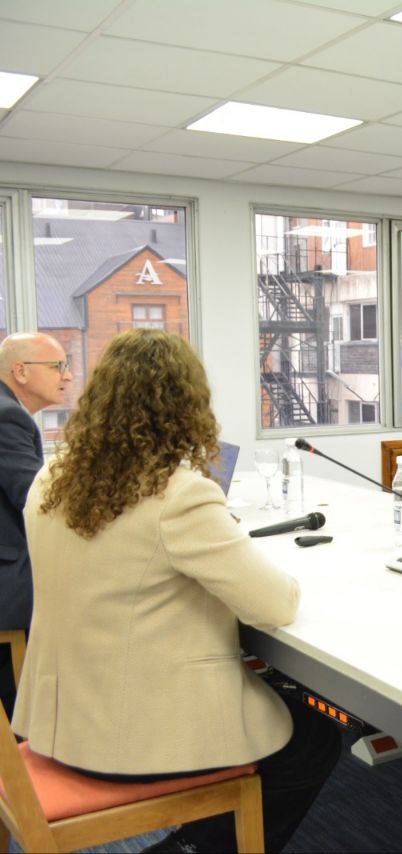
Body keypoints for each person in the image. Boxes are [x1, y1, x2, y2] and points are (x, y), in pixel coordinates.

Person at [13, 330, 340, 854]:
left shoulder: (51, 478)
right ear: (186, 406)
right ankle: (189, 848)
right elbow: (275, 605)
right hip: (132, 739)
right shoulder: (178, 493)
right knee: (315, 736)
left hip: (60, 724)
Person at [0, 333, 72, 715]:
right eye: (58, 366)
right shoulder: (7, 416)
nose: (68, 376)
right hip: (9, 584)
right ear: (21, 371)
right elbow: (36, 497)